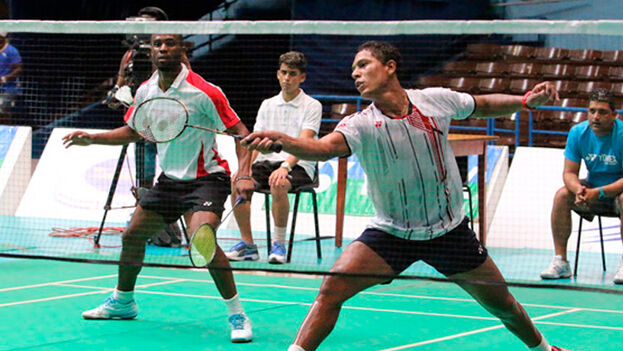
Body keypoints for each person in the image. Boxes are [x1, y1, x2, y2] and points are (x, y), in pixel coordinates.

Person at [242, 41, 569, 351]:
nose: (355, 73)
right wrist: (284, 141)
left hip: (449, 232)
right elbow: (323, 148)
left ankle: (545, 348)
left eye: (363, 65)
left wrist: (525, 102)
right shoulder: (360, 124)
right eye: (353, 69)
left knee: (504, 305)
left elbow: (481, 105)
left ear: (389, 67)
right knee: (331, 289)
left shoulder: (434, 101)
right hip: (390, 234)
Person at [63, 34, 255, 343]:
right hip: (169, 182)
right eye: (157, 44)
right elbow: (134, 130)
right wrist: (93, 138)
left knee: (202, 243)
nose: (163, 49)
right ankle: (123, 301)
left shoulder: (205, 91)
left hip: (207, 180)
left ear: (182, 49)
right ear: (151, 51)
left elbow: (242, 134)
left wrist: (244, 174)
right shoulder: (145, 90)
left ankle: (237, 314)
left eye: (169, 43)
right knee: (132, 236)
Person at [225, 51, 322, 264]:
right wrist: (245, 171)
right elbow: (256, 144)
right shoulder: (267, 104)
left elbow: (304, 142)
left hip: (300, 163)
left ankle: (278, 245)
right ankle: (248, 245)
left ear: (302, 77)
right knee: (237, 182)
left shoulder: (312, 105)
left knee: (278, 183)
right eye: (284, 73)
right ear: (278, 74)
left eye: (293, 74)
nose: (287, 78)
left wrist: (286, 167)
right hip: (267, 162)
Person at [541, 89, 623, 284]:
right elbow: (569, 173)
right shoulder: (578, 133)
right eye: (592, 111)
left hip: (616, 193)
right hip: (592, 190)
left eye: (602, 112)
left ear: (614, 115)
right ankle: (561, 262)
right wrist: (578, 189)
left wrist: (600, 192)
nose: (596, 116)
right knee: (562, 195)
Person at [0, 32, 22, 125]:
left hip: (9, 88)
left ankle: (7, 132)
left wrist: (4, 79)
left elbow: (19, 69)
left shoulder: (11, 51)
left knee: (2, 109)